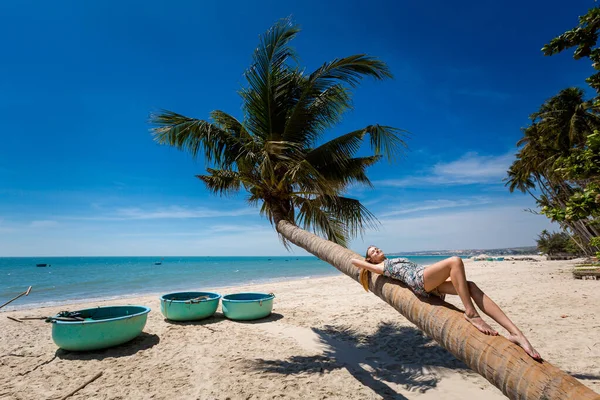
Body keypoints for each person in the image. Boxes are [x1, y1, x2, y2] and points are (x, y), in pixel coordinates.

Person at [351, 246, 541, 361]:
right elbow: (355, 261)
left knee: (471, 286)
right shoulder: (379, 267)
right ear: (371, 259)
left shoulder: (389, 260)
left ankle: (516, 334)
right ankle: (471, 313)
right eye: (372, 252)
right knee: (455, 261)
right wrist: (364, 262)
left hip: (428, 280)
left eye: (376, 248)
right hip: (418, 280)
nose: (376, 250)